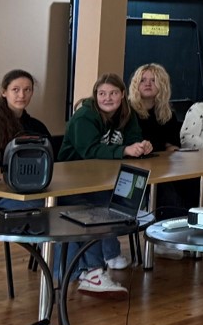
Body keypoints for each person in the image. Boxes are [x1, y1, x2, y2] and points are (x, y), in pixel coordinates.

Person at [58, 73, 154, 293]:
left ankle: (110, 253)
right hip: (72, 180)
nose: (107, 98)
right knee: (100, 205)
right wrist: (124, 150)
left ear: (122, 94)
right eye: (102, 93)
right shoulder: (84, 116)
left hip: (103, 176)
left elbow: (133, 139)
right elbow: (90, 150)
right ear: (95, 95)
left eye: (113, 93)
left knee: (124, 196)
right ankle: (95, 267)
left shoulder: (127, 113)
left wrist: (141, 147)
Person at [130, 62, 198, 221]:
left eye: (153, 80)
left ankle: (189, 225)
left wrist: (169, 148)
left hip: (162, 164)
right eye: (143, 80)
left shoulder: (167, 113)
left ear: (162, 85)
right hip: (138, 165)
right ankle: (168, 228)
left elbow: (172, 144)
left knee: (192, 181)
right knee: (167, 192)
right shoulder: (128, 111)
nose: (147, 84)